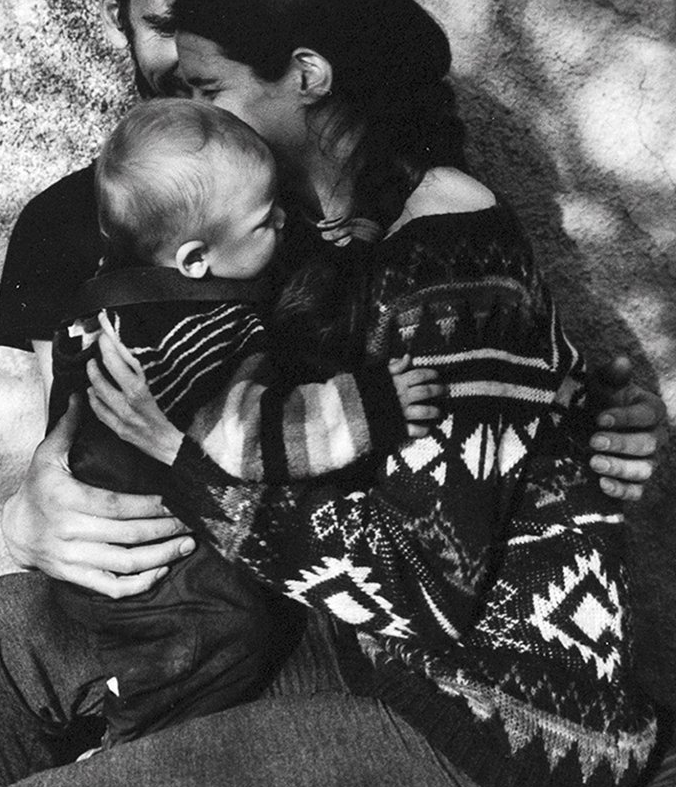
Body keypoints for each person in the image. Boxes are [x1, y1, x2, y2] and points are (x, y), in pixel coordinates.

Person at [0, 0, 657, 787]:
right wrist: (44, 493)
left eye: (208, 87)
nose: (185, 111)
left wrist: (192, 478)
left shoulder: (449, 243)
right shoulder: (299, 237)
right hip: (364, 673)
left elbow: (428, 583)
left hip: (486, 746)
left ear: (307, 74)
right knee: (8, 616)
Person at [49, 96, 443, 744]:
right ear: (195, 261)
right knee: (229, 631)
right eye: (265, 221)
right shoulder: (202, 335)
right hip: (162, 569)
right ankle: (135, 751)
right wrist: (372, 405)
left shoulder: (119, 300)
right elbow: (252, 438)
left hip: (108, 557)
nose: (284, 221)